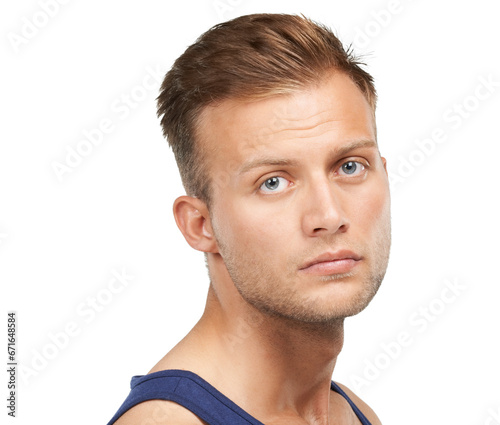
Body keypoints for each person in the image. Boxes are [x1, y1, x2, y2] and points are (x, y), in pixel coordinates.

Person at [107, 13, 391, 425]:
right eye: (273, 182)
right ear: (200, 226)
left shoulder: (349, 411)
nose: (328, 216)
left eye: (349, 167)